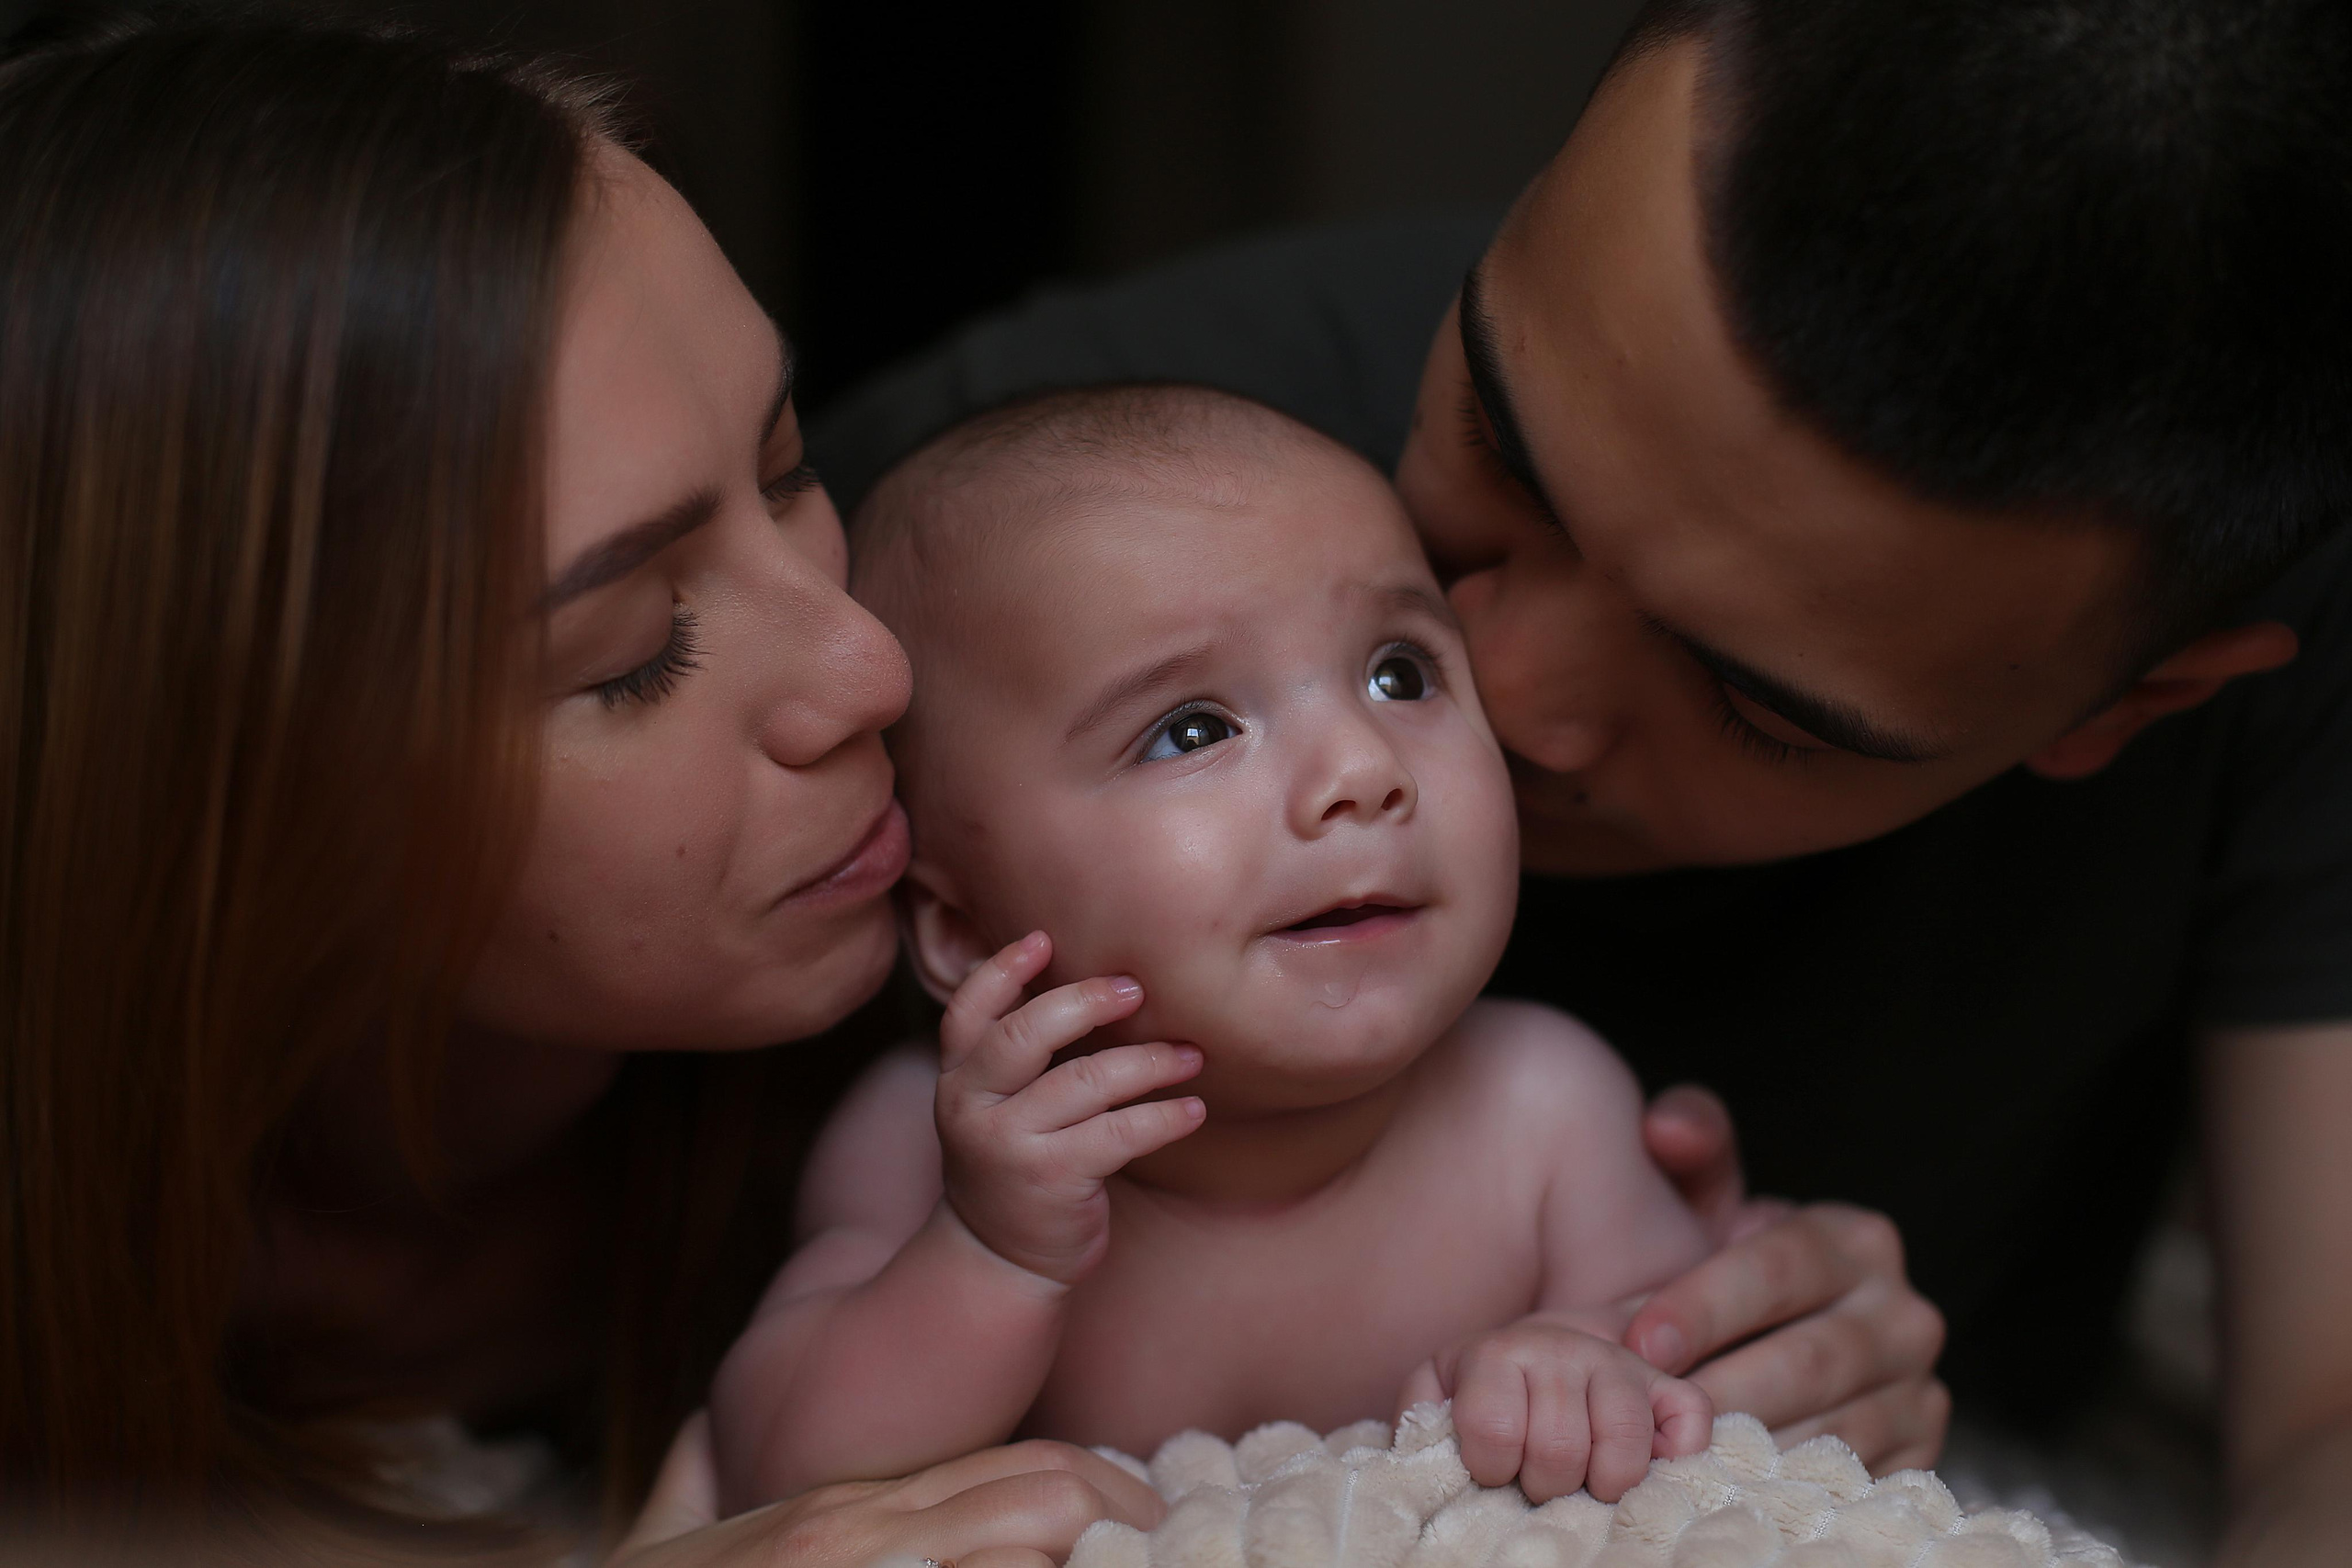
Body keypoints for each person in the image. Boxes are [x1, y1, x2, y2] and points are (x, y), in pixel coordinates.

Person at [808, 1, 2352, 1559]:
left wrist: (1691, 1362)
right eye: (1497, 439)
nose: (1505, 696)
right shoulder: (987, 543)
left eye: (1753, 700)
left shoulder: (2270, 613)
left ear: (2129, 701)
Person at [0, 15, 1161, 1562]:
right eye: (630, 652)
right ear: (217, 808)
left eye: (790, 471)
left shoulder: (1024, 979)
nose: (870, 666)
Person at [709, 386, 1715, 1511]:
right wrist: (988, 1253)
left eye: (1400, 673)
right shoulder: (920, 1141)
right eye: (1191, 730)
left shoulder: (1544, 1109)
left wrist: (1582, 1361)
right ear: (963, 930)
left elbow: (1713, 1393)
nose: (1362, 769)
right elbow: (773, 1469)